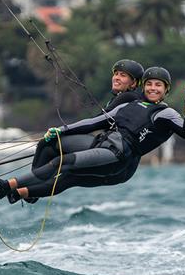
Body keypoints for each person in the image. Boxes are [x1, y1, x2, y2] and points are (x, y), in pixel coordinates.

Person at [0, 67, 185, 204]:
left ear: (166, 90)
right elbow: (92, 123)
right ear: (143, 86)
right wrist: (61, 130)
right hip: (104, 145)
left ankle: (6, 185)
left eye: (158, 85)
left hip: (119, 155)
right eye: (149, 84)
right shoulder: (129, 105)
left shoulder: (166, 112)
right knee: (61, 163)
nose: (153, 88)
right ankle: (20, 192)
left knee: (63, 164)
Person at [18, 59, 145, 204]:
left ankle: (24, 187)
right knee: (68, 176)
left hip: (114, 155)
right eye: (115, 74)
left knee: (48, 144)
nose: (116, 77)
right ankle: (29, 192)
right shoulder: (131, 99)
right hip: (124, 172)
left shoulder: (128, 97)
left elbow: (94, 123)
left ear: (134, 83)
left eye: (122, 75)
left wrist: (61, 131)